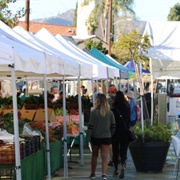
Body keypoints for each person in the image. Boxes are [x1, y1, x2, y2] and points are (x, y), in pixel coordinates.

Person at [86, 94, 116, 180]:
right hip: (106, 136)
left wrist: (88, 137)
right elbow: (113, 126)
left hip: (95, 137)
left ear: (97, 102)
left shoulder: (94, 112)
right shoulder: (110, 113)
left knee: (94, 155)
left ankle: (93, 173)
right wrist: (110, 134)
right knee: (105, 156)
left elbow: (90, 126)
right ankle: (104, 174)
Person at [111, 91, 131, 179]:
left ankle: (115, 169)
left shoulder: (113, 109)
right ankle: (123, 165)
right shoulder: (127, 107)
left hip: (115, 132)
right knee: (123, 151)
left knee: (115, 151)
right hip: (125, 132)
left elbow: (111, 122)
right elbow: (129, 120)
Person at [107, 85, 117, 167]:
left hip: (110, 124)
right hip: (120, 124)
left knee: (111, 143)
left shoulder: (108, 101)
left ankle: (112, 158)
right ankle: (119, 157)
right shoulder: (121, 100)